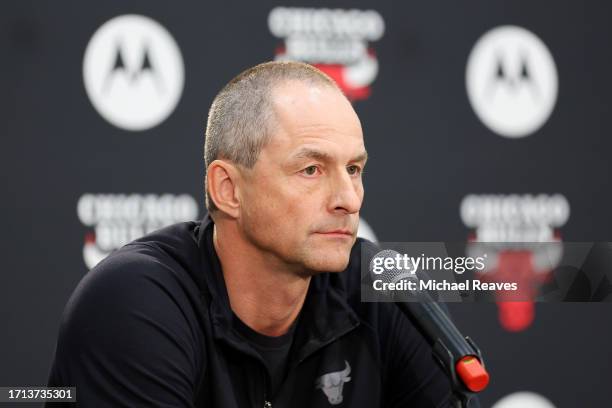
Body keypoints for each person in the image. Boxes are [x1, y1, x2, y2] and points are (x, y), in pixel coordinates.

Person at [47, 61, 453, 407]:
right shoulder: (133, 299)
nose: (348, 199)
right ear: (228, 190)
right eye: (311, 169)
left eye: (354, 169)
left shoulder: (388, 287)